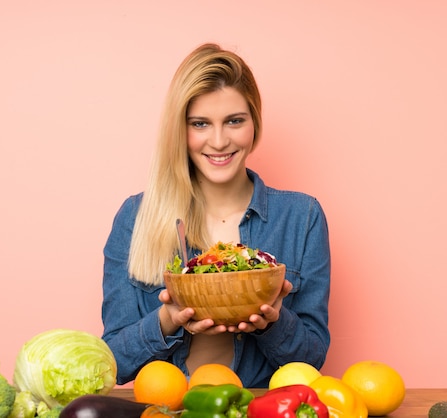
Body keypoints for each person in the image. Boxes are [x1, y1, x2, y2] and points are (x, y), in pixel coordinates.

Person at [102, 43, 330, 388]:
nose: (220, 140)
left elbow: (312, 359)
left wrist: (273, 322)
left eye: (234, 121)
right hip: (168, 409)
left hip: (256, 408)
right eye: (201, 124)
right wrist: (168, 318)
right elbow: (113, 364)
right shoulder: (136, 217)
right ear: (180, 129)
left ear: (255, 123)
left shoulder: (302, 217)